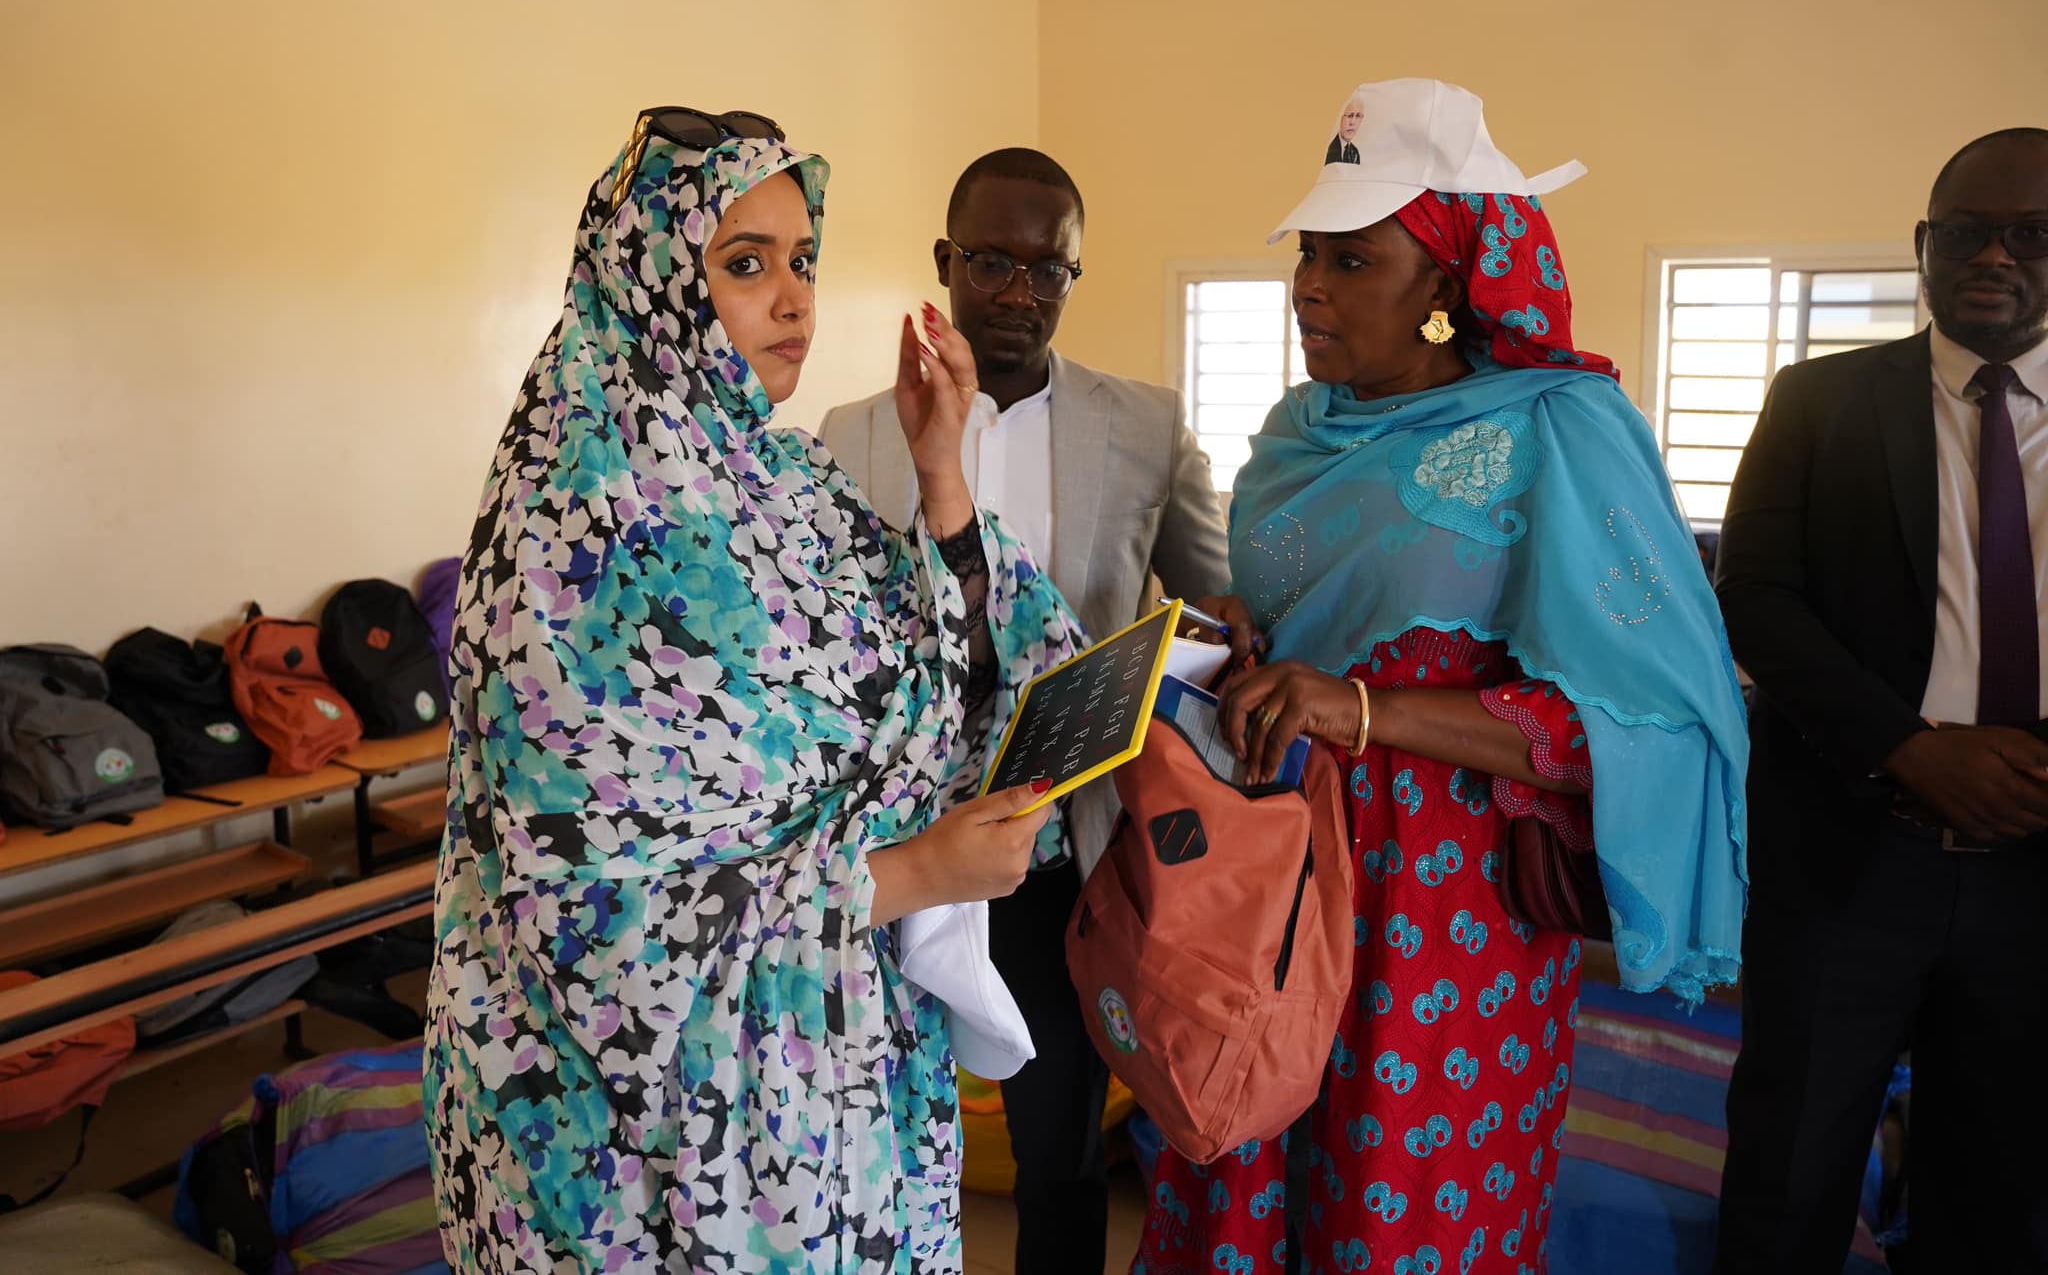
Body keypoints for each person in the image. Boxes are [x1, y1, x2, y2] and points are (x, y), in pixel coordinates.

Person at [421, 107, 1089, 1272]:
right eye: (743, 264)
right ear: (649, 281)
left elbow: (951, 669)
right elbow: (589, 910)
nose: (793, 300)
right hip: (647, 1154)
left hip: (834, 1090)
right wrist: (914, 873)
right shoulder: (579, 527)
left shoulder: (777, 475)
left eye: (800, 261)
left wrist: (941, 472)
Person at [1134, 78, 1750, 1275]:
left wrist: (1358, 708)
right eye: (1307, 255)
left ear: (1443, 285)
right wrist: (1237, 641)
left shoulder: (1556, 430)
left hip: (1441, 906)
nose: (1309, 285)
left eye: (1350, 261)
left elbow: (1644, 717)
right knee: (1236, 1162)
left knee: (1401, 1199)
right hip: (1265, 871)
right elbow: (1289, 625)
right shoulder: (1293, 429)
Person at [821, 147, 1230, 1275]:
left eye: (1047, 271)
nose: (1016, 291)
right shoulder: (851, 435)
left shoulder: (1143, 425)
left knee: (1058, 1145)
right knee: (867, 1126)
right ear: (945, 262)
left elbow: (1209, 602)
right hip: (891, 847)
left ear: (1073, 279)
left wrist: (1205, 644)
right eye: (991, 261)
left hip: (1057, 846)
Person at [1714, 129, 2048, 1273]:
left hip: (2036, 875)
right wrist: (1906, 747)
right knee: (1785, 1180)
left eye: (2030, 234)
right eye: (1961, 231)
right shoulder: (1817, 401)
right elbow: (1752, 599)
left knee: (2002, 1198)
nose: (1990, 256)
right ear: (1922, 245)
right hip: (1848, 859)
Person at [1325, 93, 1365, 165]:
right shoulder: (1329, 149)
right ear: (1340, 117)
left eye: (1358, 116)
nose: (1352, 122)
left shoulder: (1355, 152)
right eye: (1350, 115)